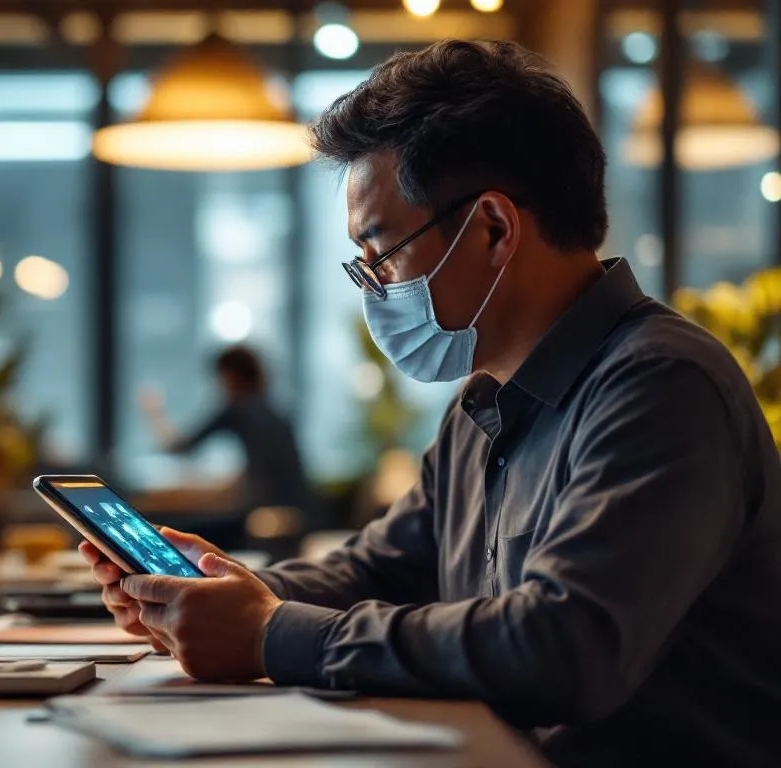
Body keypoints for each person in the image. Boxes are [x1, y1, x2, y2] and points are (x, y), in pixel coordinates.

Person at [81, 39, 781, 767]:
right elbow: (380, 571)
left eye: (381, 255)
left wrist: (266, 633)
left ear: (493, 229)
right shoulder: (484, 405)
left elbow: (561, 648)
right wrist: (214, 594)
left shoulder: (661, 386)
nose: (374, 289)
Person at [140, 345, 316, 521]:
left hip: (269, 515)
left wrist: (155, 412)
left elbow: (180, 446)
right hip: (300, 510)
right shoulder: (274, 411)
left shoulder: (238, 408)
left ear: (230, 376)